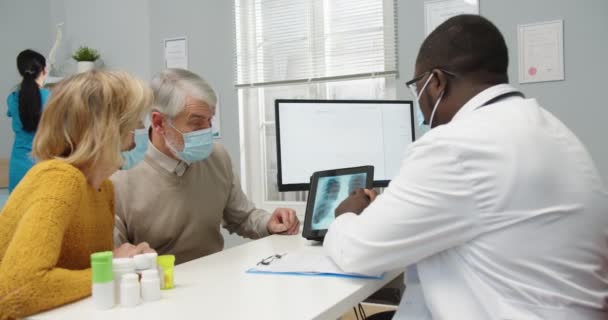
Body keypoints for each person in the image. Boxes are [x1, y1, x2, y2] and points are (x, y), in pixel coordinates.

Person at [324, 15, 608, 319]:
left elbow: (357, 253)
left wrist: (345, 215)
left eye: (416, 87)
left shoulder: (455, 146)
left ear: (435, 83)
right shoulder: (552, 129)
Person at [0, 70, 155, 318]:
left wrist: (130, 262)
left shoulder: (103, 189)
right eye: (134, 124)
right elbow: (19, 289)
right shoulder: (60, 178)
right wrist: (116, 268)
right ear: (106, 131)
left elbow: (87, 274)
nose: (136, 139)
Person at [112, 68, 300, 265]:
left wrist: (269, 223)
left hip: (214, 280)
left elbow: (243, 217)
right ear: (159, 122)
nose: (207, 131)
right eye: (196, 123)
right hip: (158, 286)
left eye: (210, 120)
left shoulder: (217, 157)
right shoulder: (119, 176)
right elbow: (116, 258)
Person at [6, 49, 50, 192]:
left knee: (17, 210)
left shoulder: (12, 98)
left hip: (17, 165)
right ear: (44, 70)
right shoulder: (51, 98)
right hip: (43, 163)